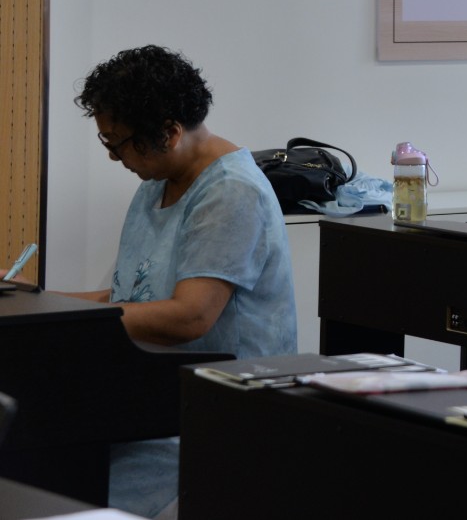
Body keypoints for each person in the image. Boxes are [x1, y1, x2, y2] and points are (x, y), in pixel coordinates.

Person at [64, 45, 297, 516]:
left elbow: (189, 317)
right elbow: (134, 297)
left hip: (217, 415)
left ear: (169, 133)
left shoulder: (231, 192)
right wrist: (36, 302)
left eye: (117, 143)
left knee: (69, 493)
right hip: (155, 399)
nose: (113, 156)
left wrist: (64, 317)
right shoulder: (157, 182)